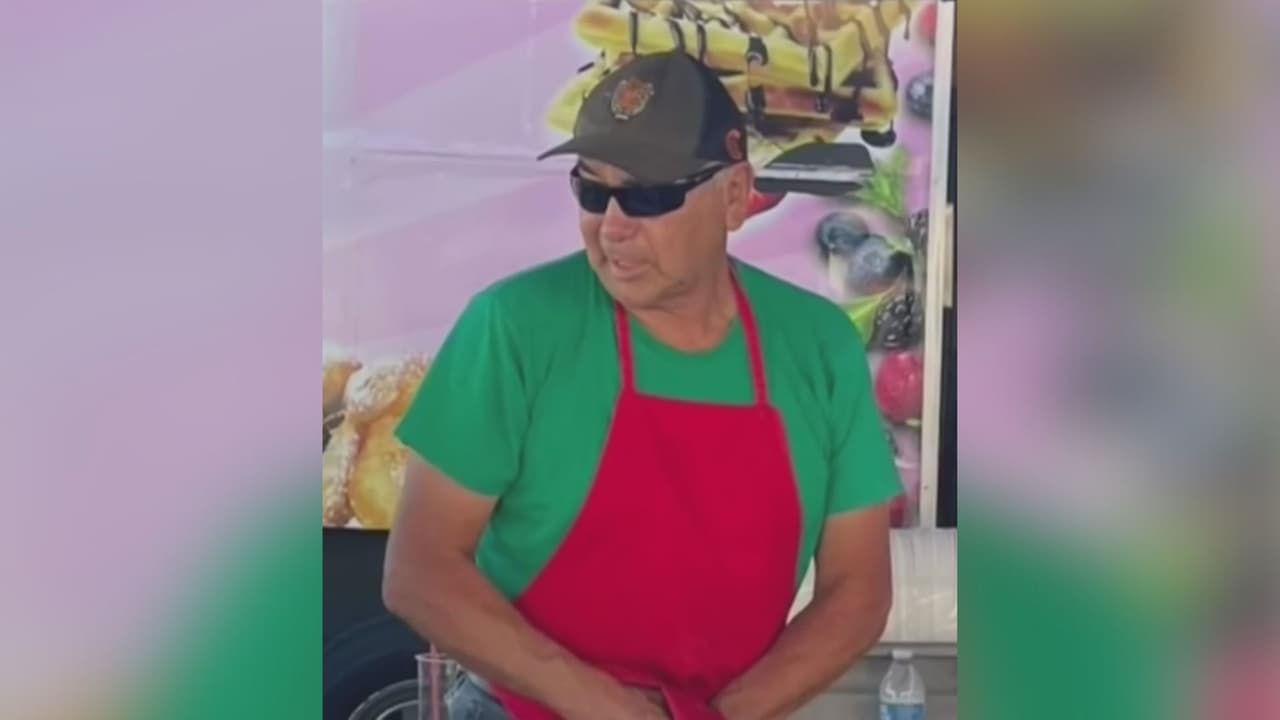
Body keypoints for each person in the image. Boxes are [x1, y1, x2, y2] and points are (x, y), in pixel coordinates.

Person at [383, 51, 899, 720]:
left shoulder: (818, 346)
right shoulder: (514, 326)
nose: (612, 225)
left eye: (649, 195)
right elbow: (420, 571)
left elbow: (857, 593)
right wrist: (609, 708)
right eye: (592, 191)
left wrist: (714, 717)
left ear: (736, 196)